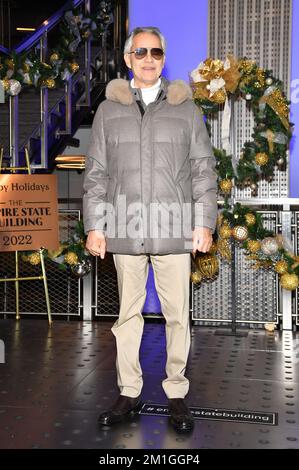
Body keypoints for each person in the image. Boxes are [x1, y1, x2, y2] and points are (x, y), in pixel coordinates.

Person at [83, 26, 218, 433]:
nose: (147, 58)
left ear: (162, 58)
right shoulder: (108, 111)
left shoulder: (184, 108)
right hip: (124, 228)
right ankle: (129, 391)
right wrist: (95, 225)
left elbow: (203, 170)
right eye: (139, 51)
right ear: (127, 59)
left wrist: (204, 222)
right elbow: (96, 175)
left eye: (155, 52)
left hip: (175, 230)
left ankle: (176, 395)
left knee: (178, 316)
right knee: (128, 317)